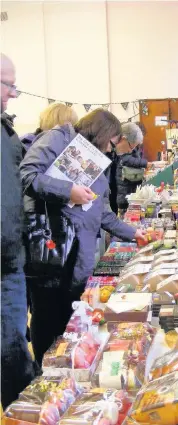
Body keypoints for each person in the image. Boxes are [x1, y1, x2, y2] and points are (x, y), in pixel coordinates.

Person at [20, 108, 146, 366]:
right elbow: (28, 175)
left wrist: (134, 233)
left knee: (71, 323)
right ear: (102, 133)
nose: (112, 150)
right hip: (50, 252)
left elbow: (103, 213)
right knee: (47, 318)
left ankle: (63, 376)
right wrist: (69, 191)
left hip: (79, 259)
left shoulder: (98, 160)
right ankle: (45, 376)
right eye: (112, 143)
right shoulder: (56, 139)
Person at [1, 53, 36, 409]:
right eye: (8, 84)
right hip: (4, 260)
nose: (12, 92)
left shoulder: (6, 131)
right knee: (10, 346)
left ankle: (25, 406)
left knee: (14, 344)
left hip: (11, 256)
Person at [116, 122, 149, 212]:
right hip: (122, 193)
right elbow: (127, 159)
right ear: (123, 139)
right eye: (131, 147)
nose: (130, 150)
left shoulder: (126, 148)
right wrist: (144, 163)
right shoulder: (118, 153)